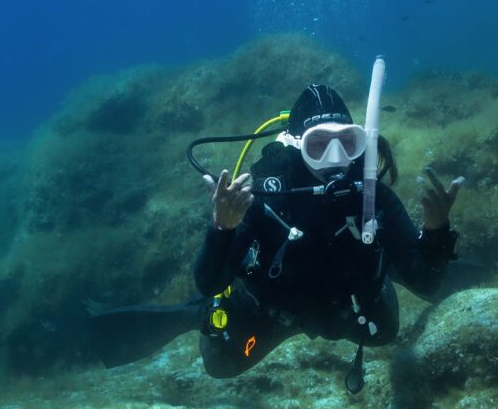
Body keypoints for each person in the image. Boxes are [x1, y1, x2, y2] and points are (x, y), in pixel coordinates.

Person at [89, 83, 465, 391]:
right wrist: (223, 229)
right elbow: (209, 282)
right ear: (296, 145)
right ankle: (197, 315)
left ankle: (387, 266)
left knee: (385, 331)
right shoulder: (268, 198)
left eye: (346, 143)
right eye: (318, 145)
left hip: (344, 309)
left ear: (360, 143)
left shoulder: (372, 196)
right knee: (220, 365)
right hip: (274, 311)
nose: (335, 158)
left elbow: (426, 283)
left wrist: (435, 232)